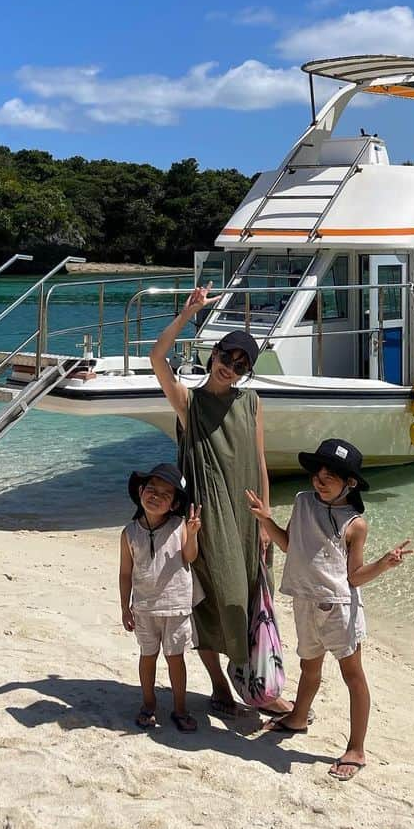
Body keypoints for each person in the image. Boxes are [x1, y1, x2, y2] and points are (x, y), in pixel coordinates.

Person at [150, 286, 294, 717]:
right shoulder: (189, 403)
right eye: (227, 359)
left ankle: (257, 685)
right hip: (209, 520)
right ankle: (221, 684)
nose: (231, 369)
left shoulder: (251, 402)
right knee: (217, 602)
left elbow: (260, 462)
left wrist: (267, 521)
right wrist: (187, 313)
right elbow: (158, 359)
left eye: (241, 366)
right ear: (214, 354)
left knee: (254, 601)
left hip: (250, 520)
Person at [246, 438, 412, 780]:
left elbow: (354, 576)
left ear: (349, 482)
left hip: (339, 609)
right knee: (309, 667)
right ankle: (297, 717)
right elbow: (291, 544)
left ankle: (356, 748)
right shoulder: (302, 502)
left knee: (353, 676)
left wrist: (384, 563)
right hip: (304, 601)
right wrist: (266, 520)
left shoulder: (355, 523)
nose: (320, 479)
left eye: (330, 475)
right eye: (317, 472)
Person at [118, 462, 202, 732]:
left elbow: (190, 557)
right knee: (147, 656)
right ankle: (148, 703)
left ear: (175, 503)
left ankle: (180, 708)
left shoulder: (180, 526)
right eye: (151, 489)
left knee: (175, 658)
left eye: (165, 494)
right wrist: (125, 607)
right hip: (143, 608)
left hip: (176, 606)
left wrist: (194, 533)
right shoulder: (129, 533)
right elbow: (125, 573)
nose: (156, 496)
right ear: (140, 491)